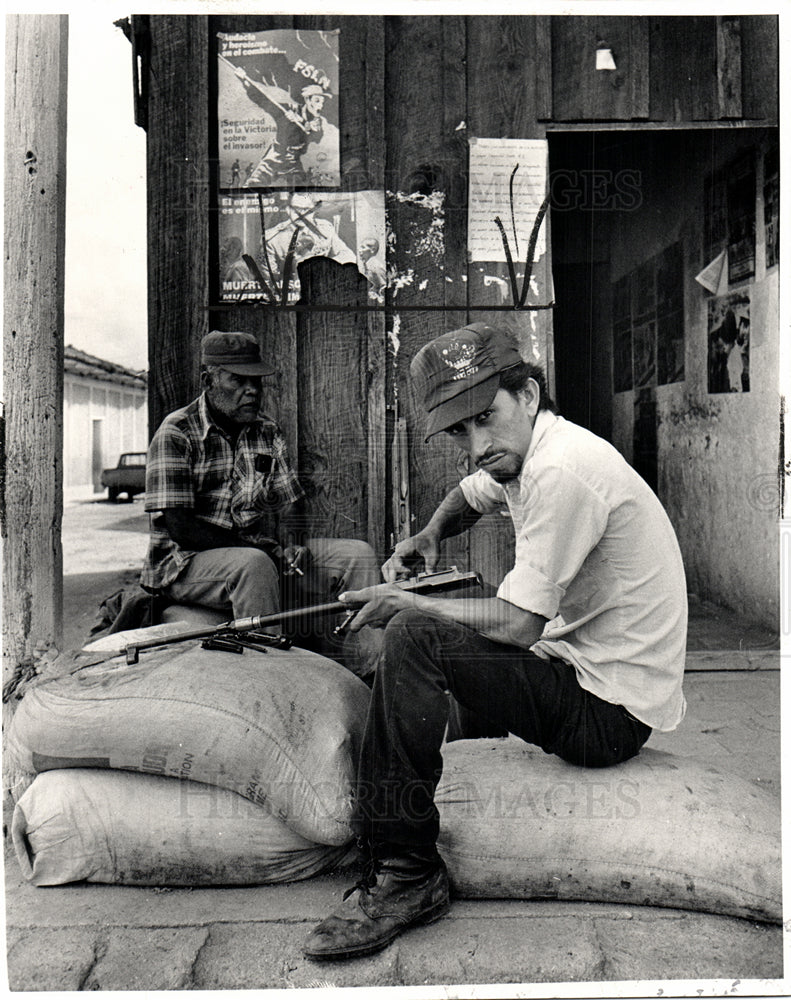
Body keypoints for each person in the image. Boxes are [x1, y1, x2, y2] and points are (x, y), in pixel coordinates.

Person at [304, 322, 688, 960]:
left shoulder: (562, 472)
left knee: (416, 632)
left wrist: (409, 600)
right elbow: (468, 495)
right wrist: (430, 536)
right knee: (436, 622)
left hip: (609, 713)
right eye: (460, 430)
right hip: (577, 667)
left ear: (530, 397)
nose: (476, 444)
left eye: (486, 418)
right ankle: (409, 773)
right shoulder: (525, 450)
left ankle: (407, 874)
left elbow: (518, 626)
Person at [140, 330, 380, 662]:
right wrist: (264, 549)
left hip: (254, 549)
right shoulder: (177, 432)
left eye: (257, 381)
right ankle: (273, 679)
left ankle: (363, 671)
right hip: (183, 562)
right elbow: (182, 528)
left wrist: (294, 541)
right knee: (254, 565)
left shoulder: (266, 431)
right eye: (239, 380)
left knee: (358, 555)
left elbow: (289, 502)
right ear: (208, 381)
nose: (252, 390)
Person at [261, 193, 355, 301]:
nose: (301, 214)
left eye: (307, 209)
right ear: (288, 210)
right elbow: (270, 278)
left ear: (314, 211)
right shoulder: (272, 238)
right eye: (296, 209)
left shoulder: (325, 229)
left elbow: (348, 255)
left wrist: (324, 266)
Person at [239, 78, 331, 187]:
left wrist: (300, 120)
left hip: (293, 163)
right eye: (317, 101)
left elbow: (317, 137)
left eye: (322, 102)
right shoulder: (287, 109)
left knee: (304, 192)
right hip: (274, 157)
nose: (320, 105)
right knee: (251, 187)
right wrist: (245, 83)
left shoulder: (316, 120)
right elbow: (264, 101)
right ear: (307, 100)